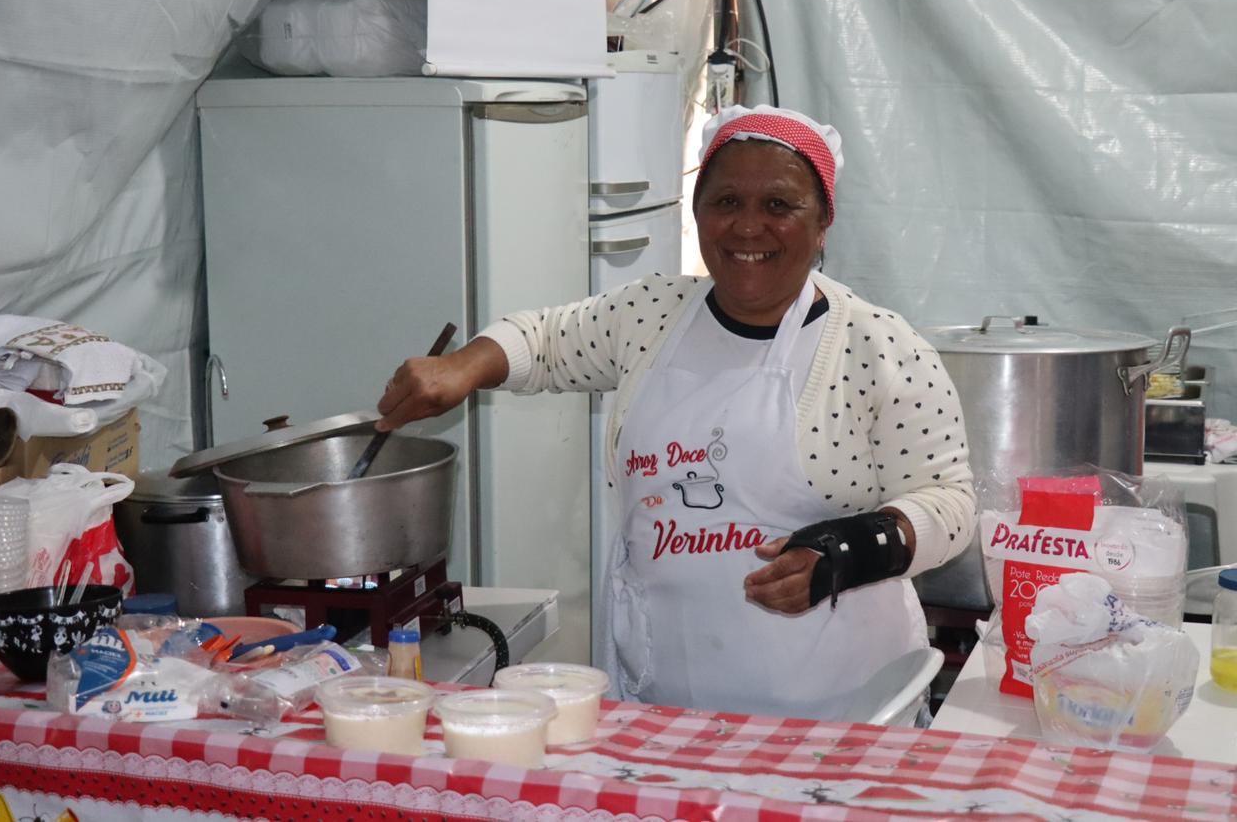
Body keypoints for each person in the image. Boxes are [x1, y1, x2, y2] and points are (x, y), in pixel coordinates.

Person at [376, 104, 975, 720]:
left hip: (840, 711)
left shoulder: (876, 345)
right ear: (697, 213)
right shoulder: (652, 314)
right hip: (667, 706)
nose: (747, 227)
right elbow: (546, 340)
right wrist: (464, 366)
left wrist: (851, 551)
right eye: (725, 202)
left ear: (824, 221)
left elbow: (949, 501)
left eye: (779, 206)